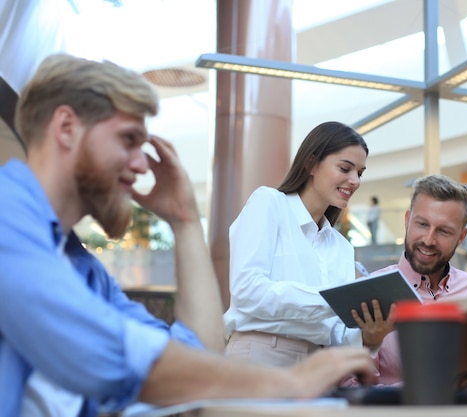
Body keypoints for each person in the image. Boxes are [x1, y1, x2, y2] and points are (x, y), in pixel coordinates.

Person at [0, 54, 378, 417]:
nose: (140, 164)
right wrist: (286, 383)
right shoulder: (7, 218)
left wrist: (184, 220)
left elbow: (197, 350)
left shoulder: (83, 270)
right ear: (66, 127)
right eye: (128, 140)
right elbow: (116, 356)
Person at [224, 121, 394, 367]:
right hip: (260, 356)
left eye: (360, 173)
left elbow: (333, 331)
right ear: (311, 163)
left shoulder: (342, 246)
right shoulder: (269, 203)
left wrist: (369, 335)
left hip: (318, 364)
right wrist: (336, 301)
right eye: (345, 168)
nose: (355, 180)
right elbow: (248, 292)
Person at [344, 174, 467, 386]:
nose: (428, 240)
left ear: (461, 237)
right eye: (422, 224)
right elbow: (350, 386)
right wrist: (369, 343)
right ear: (407, 221)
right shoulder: (371, 292)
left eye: (444, 231)